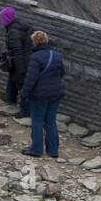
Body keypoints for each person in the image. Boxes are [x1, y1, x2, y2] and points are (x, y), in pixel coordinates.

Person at [21, 30, 66, 158]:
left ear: (34, 42)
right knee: (50, 121)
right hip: (56, 93)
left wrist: (24, 94)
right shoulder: (57, 55)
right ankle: (53, 151)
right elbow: (62, 73)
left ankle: (36, 149)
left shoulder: (35, 57)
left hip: (40, 95)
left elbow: (31, 78)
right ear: (46, 40)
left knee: (37, 121)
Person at [0, 7, 33, 117]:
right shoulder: (21, 25)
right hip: (24, 61)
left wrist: (21, 70)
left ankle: (25, 111)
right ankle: (10, 100)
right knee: (12, 80)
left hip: (20, 63)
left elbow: (18, 52)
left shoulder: (13, 31)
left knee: (21, 83)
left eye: (2, 19)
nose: (1, 21)